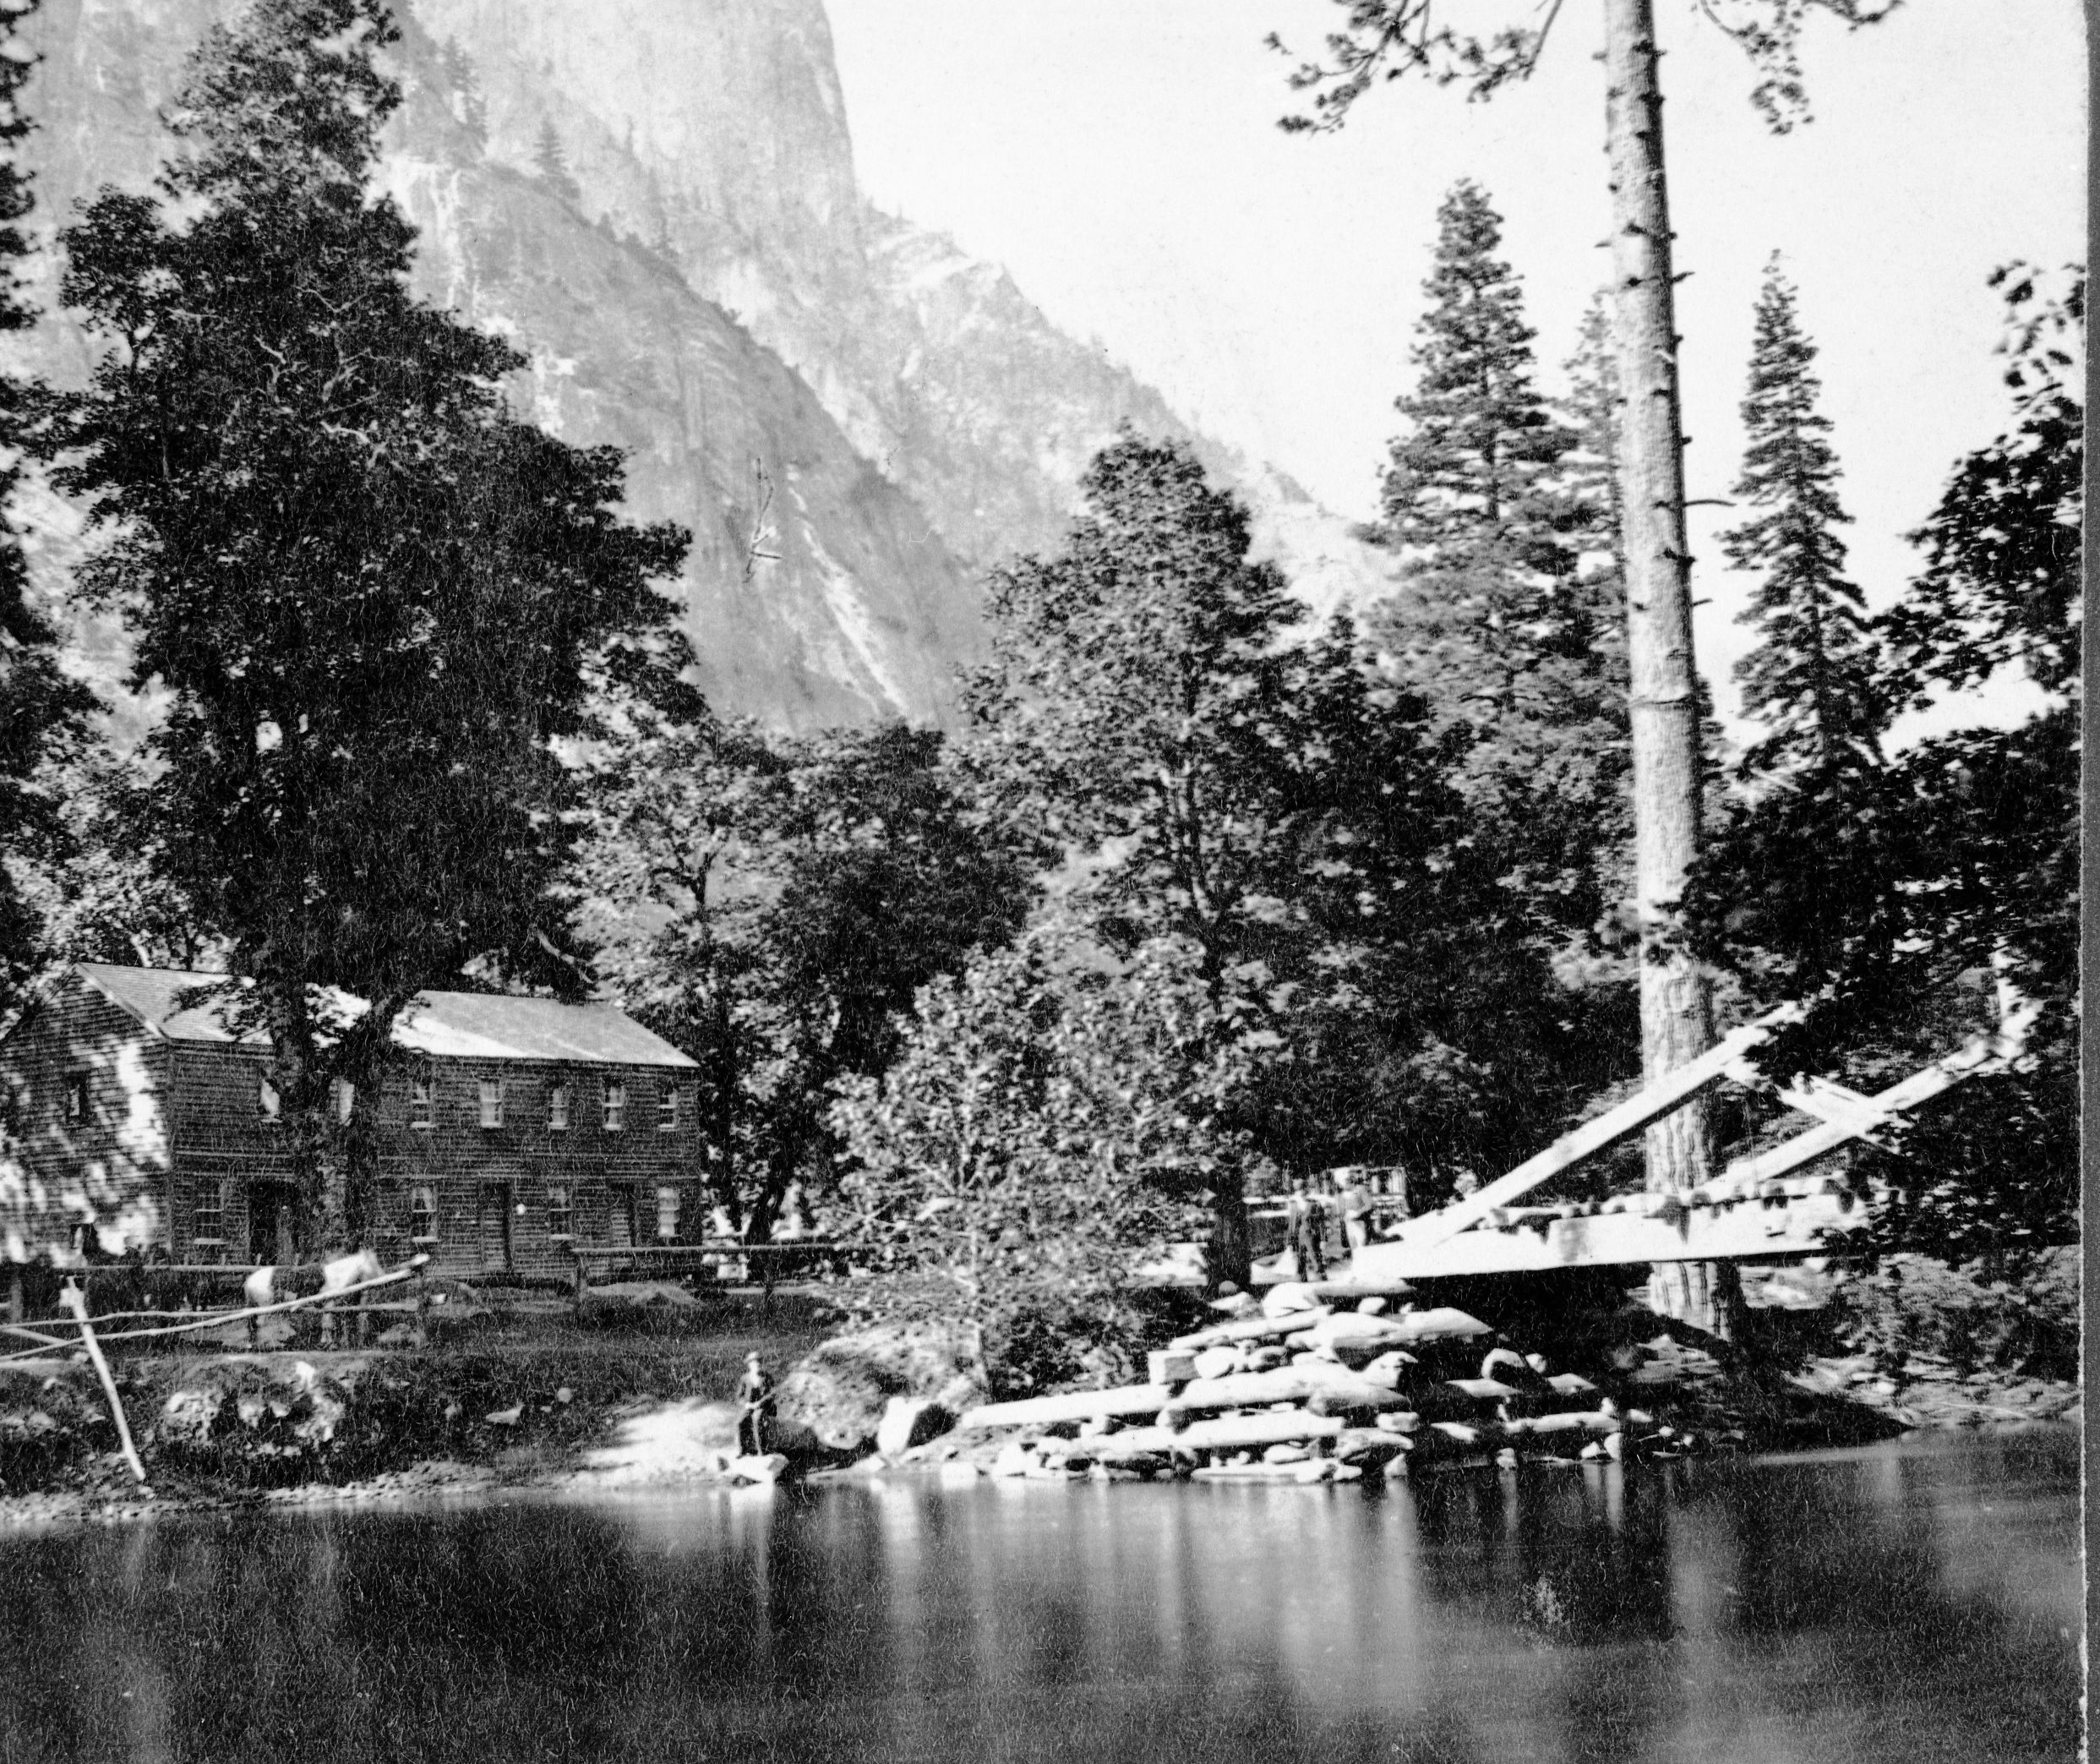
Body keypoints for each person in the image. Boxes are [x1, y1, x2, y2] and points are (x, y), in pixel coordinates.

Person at [1285, 1176, 1328, 1281]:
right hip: (1298, 1235)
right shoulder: (1294, 1205)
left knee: (1315, 1256)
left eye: (1302, 1189)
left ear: (1306, 1190)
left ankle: (1322, 1276)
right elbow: (1292, 1224)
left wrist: (1323, 1239)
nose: (1300, 1193)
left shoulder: (1314, 1204)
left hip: (1311, 1234)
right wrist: (1289, 1241)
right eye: (1298, 1190)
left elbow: (1321, 1223)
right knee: (1300, 1257)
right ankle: (1302, 1278)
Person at [736, 1352, 776, 1456]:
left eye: (758, 1362)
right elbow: (739, 1396)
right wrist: (746, 1405)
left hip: (763, 1406)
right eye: (754, 1362)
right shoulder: (744, 1378)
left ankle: (761, 1451)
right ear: (749, 1365)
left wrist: (760, 1403)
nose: (757, 1364)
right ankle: (743, 1450)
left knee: (757, 1420)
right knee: (740, 1422)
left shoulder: (767, 1377)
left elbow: (771, 1394)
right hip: (749, 1406)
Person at [1339, 1169, 1375, 1256]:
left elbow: (1370, 1205)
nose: (1343, 1185)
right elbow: (1343, 1210)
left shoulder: (1360, 1189)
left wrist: (1359, 1213)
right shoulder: (1344, 1194)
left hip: (1361, 1222)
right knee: (1354, 1249)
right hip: (1349, 1224)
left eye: (1345, 1182)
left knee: (1362, 1247)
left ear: (1350, 1181)